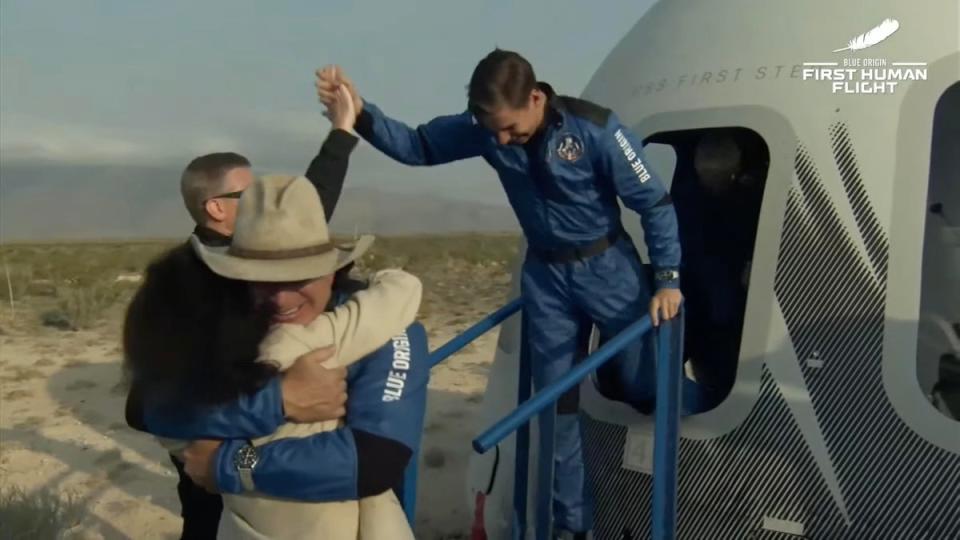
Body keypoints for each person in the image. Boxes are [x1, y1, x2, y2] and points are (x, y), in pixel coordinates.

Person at [316, 50, 683, 540]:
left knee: (644, 385)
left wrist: (668, 278)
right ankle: (573, 527)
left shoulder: (595, 129)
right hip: (547, 278)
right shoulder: (485, 128)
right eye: (494, 132)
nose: (502, 140)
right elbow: (419, 146)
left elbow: (654, 202)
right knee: (557, 409)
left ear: (535, 97)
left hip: (609, 269)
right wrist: (361, 114)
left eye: (511, 129)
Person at [123, 81, 429, 538]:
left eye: (300, 275)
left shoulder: (380, 326)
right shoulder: (220, 311)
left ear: (333, 268)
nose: (282, 297)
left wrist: (230, 460)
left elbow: (372, 459)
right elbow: (151, 407)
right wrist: (278, 399)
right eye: (262, 279)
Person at [671, 130, 765, 408]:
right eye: (707, 177)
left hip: (729, 279)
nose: (712, 183)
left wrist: (751, 261)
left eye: (719, 177)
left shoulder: (749, 198)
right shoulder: (688, 198)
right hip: (700, 276)